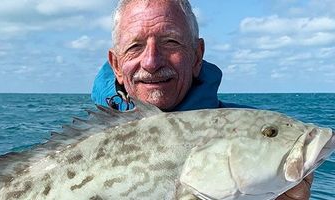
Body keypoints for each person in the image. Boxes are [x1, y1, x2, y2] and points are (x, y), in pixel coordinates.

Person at [91, 0, 313, 199]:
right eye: (135, 46)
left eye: (170, 41)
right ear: (116, 65)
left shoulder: (247, 130)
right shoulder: (88, 143)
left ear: (197, 55)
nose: (151, 62)